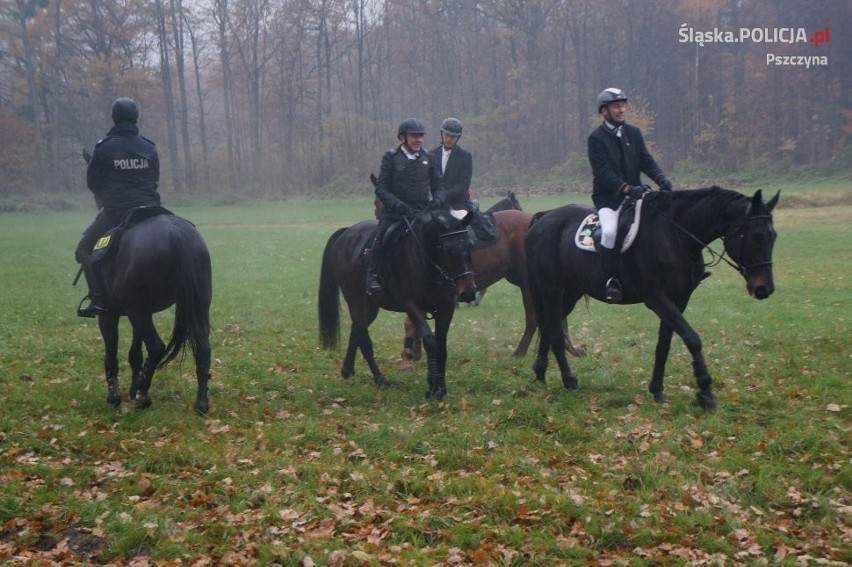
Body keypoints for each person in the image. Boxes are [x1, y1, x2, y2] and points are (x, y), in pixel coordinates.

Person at [75, 97, 161, 317]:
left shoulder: (104, 148)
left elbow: (93, 182)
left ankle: (98, 300)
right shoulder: (149, 147)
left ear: (114, 118)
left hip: (117, 212)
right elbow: (154, 179)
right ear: (136, 118)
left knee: (84, 250)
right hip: (151, 210)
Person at [587, 87, 672, 303]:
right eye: (615, 106)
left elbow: (645, 159)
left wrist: (661, 178)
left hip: (636, 195)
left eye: (623, 105)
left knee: (662, 222)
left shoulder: (633, 133)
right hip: (609, 199)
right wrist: (626, 188)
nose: (621, 109)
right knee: (609, 232)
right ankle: (611, 280)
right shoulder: (596, 138)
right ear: (604, 111)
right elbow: (603, 172)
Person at [366, 118, 446, 295]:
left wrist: (438, 200)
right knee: (382, 236)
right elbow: (381, 188)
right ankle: (374, 277)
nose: (418, 140)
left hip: (423, 212)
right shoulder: (391, 158)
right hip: (396, 214)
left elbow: (438, 186)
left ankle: (448, 277)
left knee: (446, 236)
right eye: (414, 136)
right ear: (402, 138)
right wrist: (398, 205)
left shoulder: (429, 157)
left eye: (420, 136)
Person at [432, 117, 472, 209]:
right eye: (447, 135)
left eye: (453, 137)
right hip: (436, 203)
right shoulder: (432, 154)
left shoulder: (465, 156)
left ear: (458, 137)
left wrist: (444, 196)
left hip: (458, 204)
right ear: (442, 133)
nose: (449, 139)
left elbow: (463, 184)